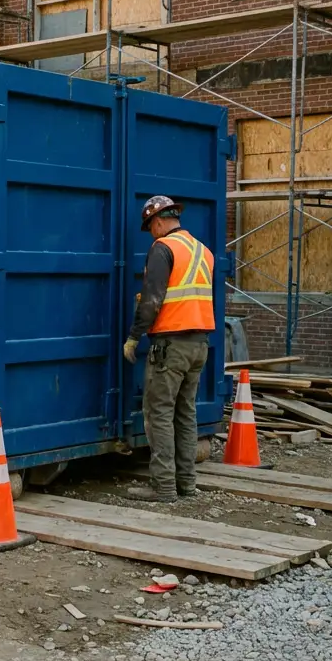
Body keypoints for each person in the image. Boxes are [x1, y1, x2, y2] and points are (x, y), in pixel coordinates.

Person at [121, 196, 215, 502]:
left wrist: (134, 336)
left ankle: (163, 487)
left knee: (159, 413)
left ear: (158, 222)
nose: (151, 233)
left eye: (150, 227)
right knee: (185, 413)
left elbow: (152, 298)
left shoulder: (163, 249)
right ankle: (186, 484)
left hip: (171, 345)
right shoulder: (203, 250)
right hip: (199, 344)